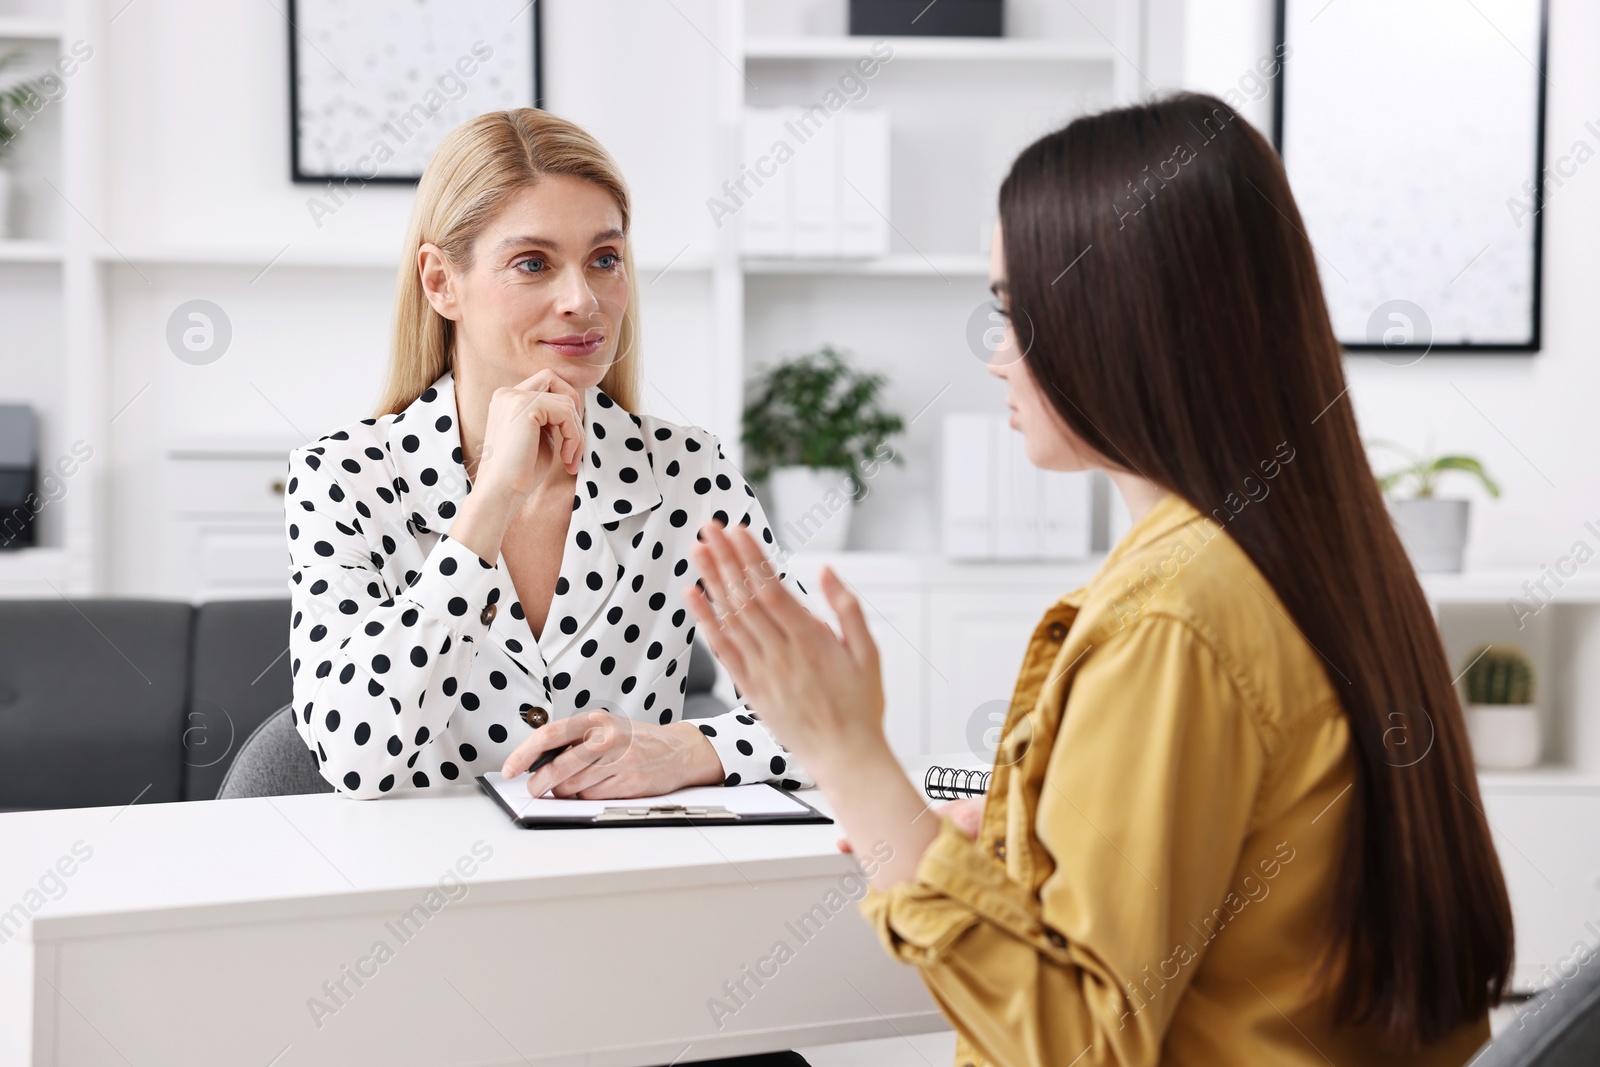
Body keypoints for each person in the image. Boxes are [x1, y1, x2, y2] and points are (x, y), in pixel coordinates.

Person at [683, 93, 1513, 1067]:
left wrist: (849, 757)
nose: (995, 355)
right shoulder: (1305, 552)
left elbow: (1077, 1048)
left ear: (1119, 314)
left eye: (1010, 307)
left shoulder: (1175, 614)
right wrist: (1012, 845)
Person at [282, 108, 811, 803]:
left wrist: (686, 747)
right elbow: (353, 753)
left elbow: (827, 717)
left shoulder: (688, 473)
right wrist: (486, 507)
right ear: (441, 281)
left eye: (604, 259)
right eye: (533, 263)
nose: (582, 299)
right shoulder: (342, 477)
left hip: (624, 891)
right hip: (419, 896)